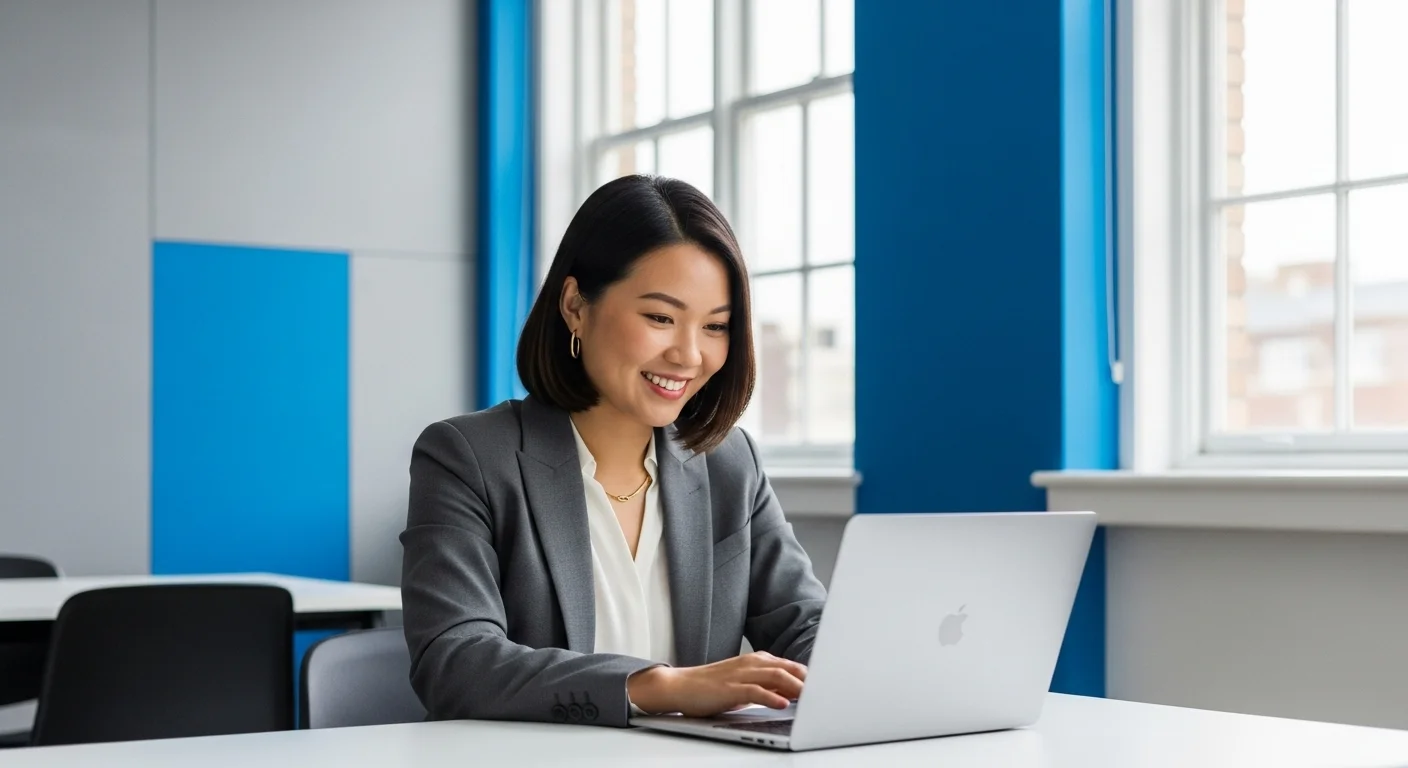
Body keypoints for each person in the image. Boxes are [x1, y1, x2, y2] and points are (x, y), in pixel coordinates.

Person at [400, 174, 827, 728]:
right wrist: (657, 686)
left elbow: (803, 623)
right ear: (576, 306)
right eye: (660, 318)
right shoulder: (468, 457)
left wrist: (862, 669)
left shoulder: (729, 462)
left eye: (716, 326)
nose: (689, 354)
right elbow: (454, 662)